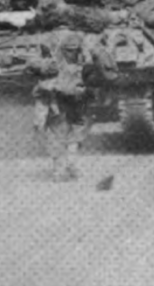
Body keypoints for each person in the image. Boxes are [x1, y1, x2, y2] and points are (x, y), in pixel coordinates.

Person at [28, 30, 116, 181]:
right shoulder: (53, 61)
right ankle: (60, 170)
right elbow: (33, 68)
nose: (71, 53)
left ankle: (70, 166)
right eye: (69, 50)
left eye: (73, 50)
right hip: (58, 101)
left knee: (74, 136)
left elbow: (98, 77)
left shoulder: (84, 59)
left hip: (75, 102)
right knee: (60, 136)